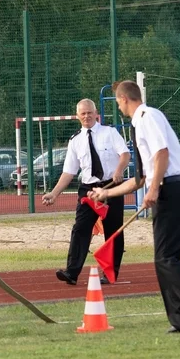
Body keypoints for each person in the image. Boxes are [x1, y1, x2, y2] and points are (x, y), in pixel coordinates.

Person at [89, 80, 180, 335]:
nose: (118, 106)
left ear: (125, 99)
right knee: (163, 259)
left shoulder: (148, 117)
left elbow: (162, 154)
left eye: (117, 102)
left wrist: (155, 188)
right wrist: (106, 192)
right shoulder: (139, 123)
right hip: (168, 189)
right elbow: (140, 179)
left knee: (166, 257)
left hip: (172, 189)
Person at [43, 99, 131, 286]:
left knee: (113, 231)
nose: (86, 116)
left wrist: (118, 170)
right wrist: (54, 193)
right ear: (77, 116)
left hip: (111, 187)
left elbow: (125, 154)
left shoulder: (110, 133)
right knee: (80, 229)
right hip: (88, 190)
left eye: (89, 112)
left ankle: (110, 273)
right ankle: (72, 272)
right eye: (82, 113)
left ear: (96, 113)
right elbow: (69, 172)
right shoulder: (75, 140)